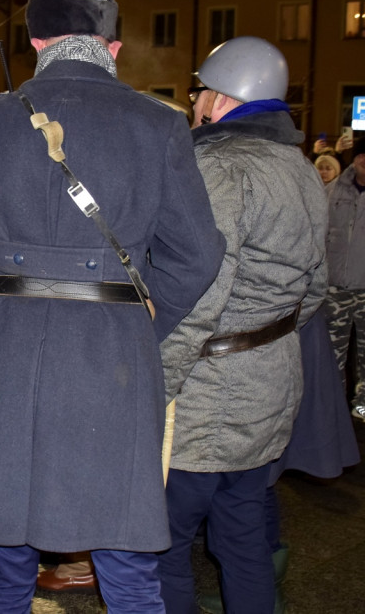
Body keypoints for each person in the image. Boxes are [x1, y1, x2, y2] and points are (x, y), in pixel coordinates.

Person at [0, 0, 225, 612]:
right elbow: (197, 253)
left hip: (1, 347)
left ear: (34, 43)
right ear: (112, 46)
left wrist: (4, 297)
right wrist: (142, 319)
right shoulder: (161, 125)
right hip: (112, 351)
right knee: (125, 554)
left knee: (3, 551)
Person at [157, 36, 328, 614]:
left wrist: (159, 383)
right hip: (273, 382)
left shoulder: (217, 167)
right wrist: (263, 336)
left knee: (164, 544)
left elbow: (199, 294)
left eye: (199, 90)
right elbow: (315, 287)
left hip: (207, 398)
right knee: (244, 537)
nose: (195, 101)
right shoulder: (300, 168)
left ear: (224, 97)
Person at [323, 137, 365, 420]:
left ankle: (362, 406)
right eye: (362, 155)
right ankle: (334, 411)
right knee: (332, 354)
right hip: (336, 288)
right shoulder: (332, 191)